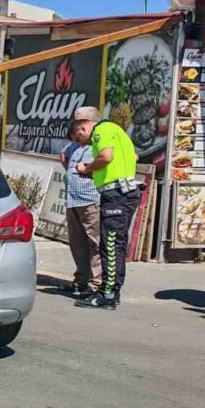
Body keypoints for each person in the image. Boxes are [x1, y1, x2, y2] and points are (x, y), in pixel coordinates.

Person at [71, 106, 139, 309]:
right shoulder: (118, 132)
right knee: (116, 245)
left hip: (116, 195)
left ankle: (106, 294)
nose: (80, 142)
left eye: (78, 137)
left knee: (109, 245)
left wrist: (88, 166)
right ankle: (112, 292)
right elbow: (131, 158)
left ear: (83, 128)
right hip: (124, 192)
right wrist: (94, 173)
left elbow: (106, 156)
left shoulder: (101, 130)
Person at [60, 124, 101, 299]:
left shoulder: (99, 144)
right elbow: (62, 155)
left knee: (95, 242)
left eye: (79, 133)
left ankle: (96, 284)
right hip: (73, 199)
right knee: (77, 242)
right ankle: (81, 279)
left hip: (91, 199)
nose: (76, 138)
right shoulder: (75, 147)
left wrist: (88, 169)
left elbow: (107, 159)